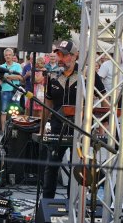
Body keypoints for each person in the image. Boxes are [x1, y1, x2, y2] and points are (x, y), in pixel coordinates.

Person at [41, 40, 106, 199]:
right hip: (57, 128)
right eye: (58, 55)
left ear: (75, 56)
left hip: (81, 129)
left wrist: (104, 124)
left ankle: (73, 202)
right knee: (51, 166)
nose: (60, 58)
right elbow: (47, 104)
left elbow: (104, 99)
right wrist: (42, 127)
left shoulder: (87, 74)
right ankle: (46, 203)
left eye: (64, 55)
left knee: (77, 168)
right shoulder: (53, 75)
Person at [0, 48, 22, 132]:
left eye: (9, 55)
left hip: (16, 91)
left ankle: (14, 130)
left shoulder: (18, 65)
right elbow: (0, 78)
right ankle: (3, 131)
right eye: (6, 55)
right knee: (4, 111)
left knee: (16, 111)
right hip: (5, 90)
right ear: (4, 57)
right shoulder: (2, 66)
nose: (8, 56)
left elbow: (20, 77)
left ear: (13, 56)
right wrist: (13, 76)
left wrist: (7, 77)